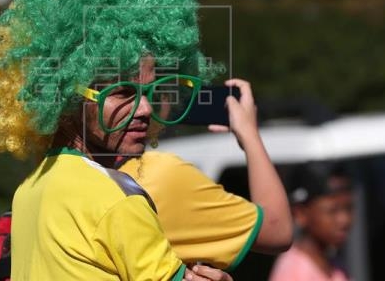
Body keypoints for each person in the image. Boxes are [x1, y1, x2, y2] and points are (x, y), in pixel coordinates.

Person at [0, 0, 234, 280]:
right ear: (68, 97)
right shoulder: (116, 200)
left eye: (151, 93)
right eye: (123, 92)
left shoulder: (30, 191)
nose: (145, 109)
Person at [116, 77, 293, 270]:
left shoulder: (80, 172)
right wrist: (249, 134)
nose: (146, 108)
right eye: (124, 92)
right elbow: (277, 230)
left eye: (155, 90)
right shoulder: (160, 176)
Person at [268, 162, 354, 281]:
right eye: (332, 211)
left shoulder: (335, 265)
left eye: (349, 208)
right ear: (300, 214)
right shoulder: (294, 272)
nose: (344, 220)